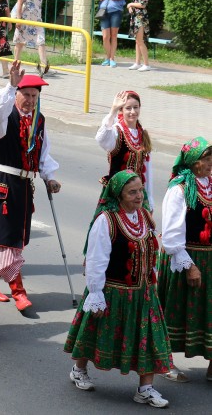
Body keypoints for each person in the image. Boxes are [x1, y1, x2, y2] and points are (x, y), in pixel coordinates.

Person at [64, 170, 172, 408]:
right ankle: (79, 369)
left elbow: (150, 250)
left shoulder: (145, 216)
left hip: (143, 293)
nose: (138, 196)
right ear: (119, 194)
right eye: (132, 192)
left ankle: (145, 389)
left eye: (140, 190)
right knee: (93, 331)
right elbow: (96, 259)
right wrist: (96, 293)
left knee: (149, 339)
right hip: (113, 291)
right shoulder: (107, 220)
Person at [0, 65, 61, 311]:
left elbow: (43, 151)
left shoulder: (39, 120)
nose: (31, 100)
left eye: (35, 96)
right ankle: (18, 292)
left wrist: (49, 176)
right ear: (17, 95)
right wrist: (11, 85)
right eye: (27, 95)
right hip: (0, 184)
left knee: (9, 240)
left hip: (22, 187)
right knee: (9, 241)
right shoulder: (3, 116)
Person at [158, 137, 212, 382]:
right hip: (187, 259)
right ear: (193, 162)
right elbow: (170, 236)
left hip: (210, 260)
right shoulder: (179, 189)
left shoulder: (210, 183)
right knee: (175, 313)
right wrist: (189, 266)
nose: (211, 163)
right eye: (206, 158)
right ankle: (164, 362)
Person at [95, 90, 153, 212]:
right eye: (128, 108)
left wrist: (149, 198)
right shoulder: (116, 131)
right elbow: (101, 138)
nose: (133, 112)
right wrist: (113, 110)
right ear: (121, 110)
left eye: (136, 107)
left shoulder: (142, 133)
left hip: (137, 195)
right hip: (118, 195)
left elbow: (147, 168)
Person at [13, 0, 53, 75]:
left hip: (37, 19)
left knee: (41, 41)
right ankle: (15, 65)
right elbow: (20, 3)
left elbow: (39, 3)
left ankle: (44, 66)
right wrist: (18, 19)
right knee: (20, 42)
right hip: (25, 18)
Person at [95, 0, 125, 68]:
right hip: (103, 12)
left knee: (113, 35)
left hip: (116, 11)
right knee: (105, 37)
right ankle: (107, 58)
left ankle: (112, 58)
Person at [127, 0, 152, 72]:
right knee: (137, 40)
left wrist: (130, 4)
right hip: (135, 16)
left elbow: (143, 4)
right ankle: (137, 62)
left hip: (141, 17)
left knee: (140, 41)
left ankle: (146, 64)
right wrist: (130, 7)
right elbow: (136, 1)